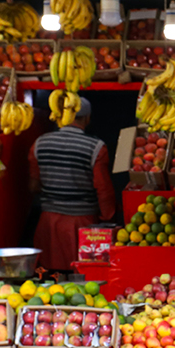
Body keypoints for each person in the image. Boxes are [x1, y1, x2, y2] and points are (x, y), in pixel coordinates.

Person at [29, 96, 115, 272]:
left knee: (50, 278)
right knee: (84, 274)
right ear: (87, 118)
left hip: (48, 222)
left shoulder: (39, 143)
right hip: (83, 224)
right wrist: (108, 218)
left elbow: (33, 185)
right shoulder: (96, 147)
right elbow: (103, 189)